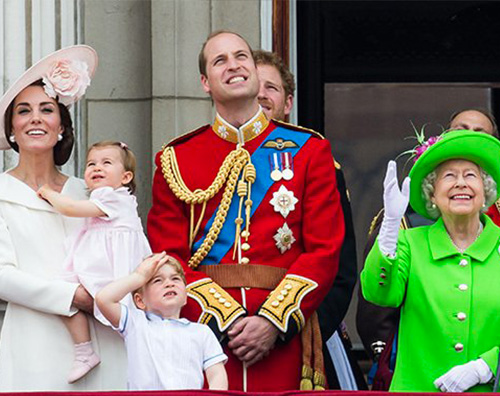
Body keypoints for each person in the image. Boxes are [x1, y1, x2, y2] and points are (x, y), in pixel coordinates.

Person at [148, 30, 345, 392]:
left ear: (255, 72)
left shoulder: (309, 151)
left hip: (283, 337)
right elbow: (168, 257)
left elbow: (324, 251)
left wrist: (272, 321)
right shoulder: (176, 158)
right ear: (205, 83)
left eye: (241, 57)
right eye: (219, 60)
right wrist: (223, 320)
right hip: (203, 336)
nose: (233, 65)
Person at [0, 45, 127, 391]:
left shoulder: (87, 192)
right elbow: (2, 276)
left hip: (104, 338)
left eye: (47, 109)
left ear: (61, 126)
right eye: (23, 111)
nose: (35, 118)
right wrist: (74, 296)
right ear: (12, 129)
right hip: (33, 340)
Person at [357, 107, 499, 390]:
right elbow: (378, 293)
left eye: (470, 175)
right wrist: (389, 230)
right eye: (449, 176)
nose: (461, 183)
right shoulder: (410, 243)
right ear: (432, 193)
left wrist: (488, 365)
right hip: (416, 390)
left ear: (486, 191)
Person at [253, 49, 364, 390]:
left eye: (271, 88)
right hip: (227, 334)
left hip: (304, 329)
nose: (260, 94)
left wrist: (296, 328)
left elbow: (340, 269)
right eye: (253, 85)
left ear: (287, 102)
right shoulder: (204, 165)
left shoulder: (317, 163)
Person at [37, 140, 151, 383]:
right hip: (96, 263)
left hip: (111, 269)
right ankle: (84, 350)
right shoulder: (104, 197)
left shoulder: (115, 197)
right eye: (91, 164)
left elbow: (69, 208)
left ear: (125, 177)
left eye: (106, 163)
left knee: (78, 298)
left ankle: (87, 350)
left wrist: (47, 192)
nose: (97, 167)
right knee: (63, 296)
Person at [95, 252, 228, 390]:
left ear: (185, 296)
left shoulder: (202, 332)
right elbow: (103, 299)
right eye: (158, 280)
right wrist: (139, 276)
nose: (169, 284)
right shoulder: (135, 324)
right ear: (140, 301)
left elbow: (217, 375)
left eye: (175, 279)